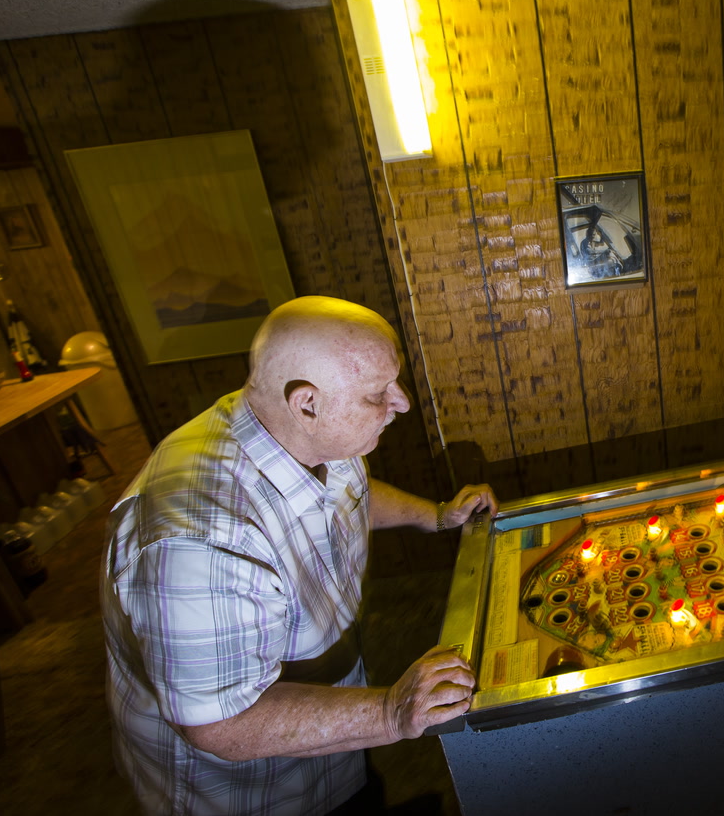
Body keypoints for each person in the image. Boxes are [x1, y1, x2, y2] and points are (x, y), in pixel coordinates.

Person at [100, 296, 497, 815]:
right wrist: (391, 712)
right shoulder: (198, 539)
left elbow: (346, 492)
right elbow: (219, 722)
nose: (400, 404)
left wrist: (436, 514)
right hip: (250, 790)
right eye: (378, 393)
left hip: (330, 732)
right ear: (306, 402)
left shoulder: (295, 427)